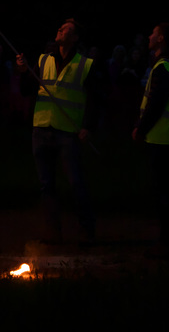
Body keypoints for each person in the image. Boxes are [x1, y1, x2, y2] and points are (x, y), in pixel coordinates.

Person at [17, 18, 100, 245]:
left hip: (68, 133)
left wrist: (88, 127)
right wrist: (24, 71)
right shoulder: (44, 60)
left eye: (66, 29)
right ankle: (52, 231)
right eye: (60, 28)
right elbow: (26, 90)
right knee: (46, 184)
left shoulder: (85, 65)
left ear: (74, 38)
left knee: (76, 183)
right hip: (42, 128)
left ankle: (87, 231)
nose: (60, 30)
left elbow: (96, 100)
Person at [132, 22, 169, 259]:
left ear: (161, 39)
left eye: (153, 33)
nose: (149, 36)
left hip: (162, 139)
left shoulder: (163, 67)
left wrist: (140, 128)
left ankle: (167, 245)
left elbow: (156, 103)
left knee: (164, 194)